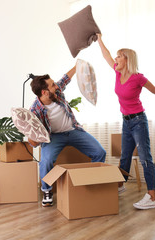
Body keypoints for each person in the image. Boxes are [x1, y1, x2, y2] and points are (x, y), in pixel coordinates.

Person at [96, 34, 155, 210]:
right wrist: (99, 39)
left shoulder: (138, 78)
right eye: (116, 56)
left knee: (145, 157)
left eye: (119, 56)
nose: (115, 59)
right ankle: (119, 185)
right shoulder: (117, 72)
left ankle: (151, 197)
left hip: (139, 121)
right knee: (125, 156)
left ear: (127, 59)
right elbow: (106, 55)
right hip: (126, 122)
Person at [28, 64, 106, 207]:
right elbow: (33, 142)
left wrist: (78, 65)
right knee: (45, 161)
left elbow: (66, 78)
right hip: (54, 137)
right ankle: (46, 190)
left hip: (73, 131)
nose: (56, 86)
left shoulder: (56, 93)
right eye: (52, 85)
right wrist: (33, 137)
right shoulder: (34, 111)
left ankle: (91, 182)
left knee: (100, 152)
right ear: (44, 92)